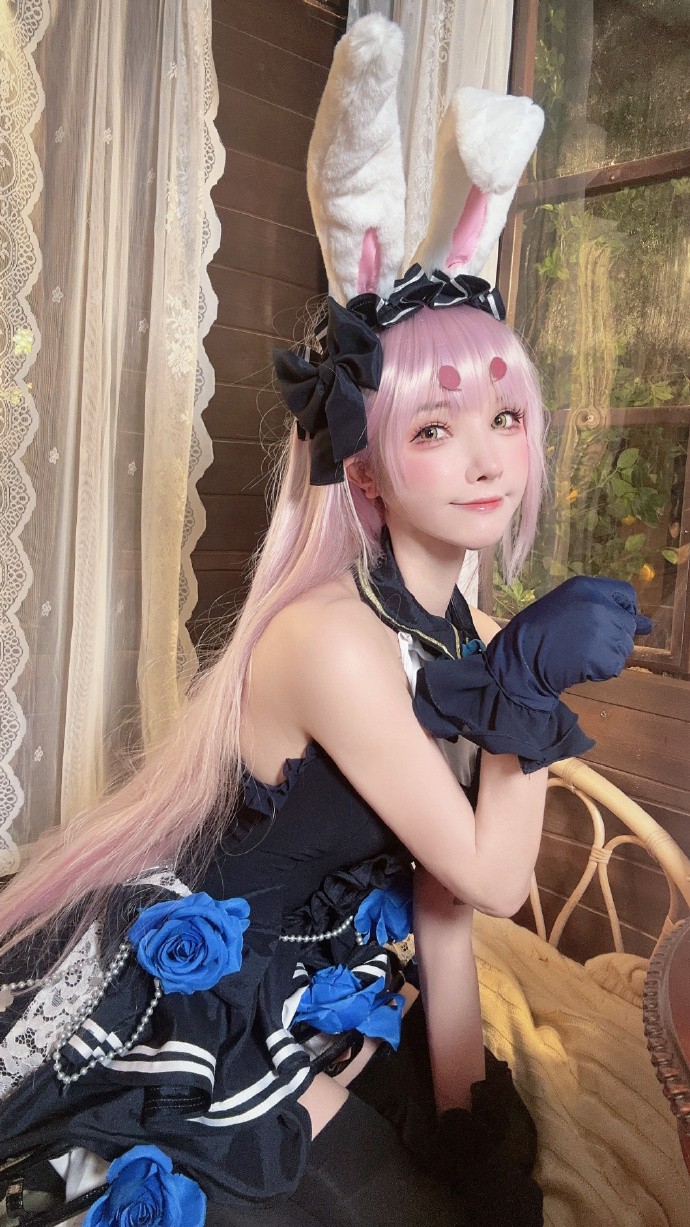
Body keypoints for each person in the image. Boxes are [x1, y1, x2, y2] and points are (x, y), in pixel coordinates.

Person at [0, 15, 650, 1227]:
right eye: (434, 428)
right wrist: (530, 689)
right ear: (366, 472)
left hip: (322, 991)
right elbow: (496, 877)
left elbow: (443, 905)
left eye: (506, 417)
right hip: (204, 1001)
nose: (486, 459)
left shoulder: (466, 634)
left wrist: (461, 1109)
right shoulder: (331, 642)